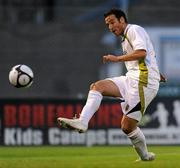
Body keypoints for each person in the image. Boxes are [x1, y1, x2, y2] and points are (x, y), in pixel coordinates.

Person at [58, 8, 163, 161]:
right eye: (107, 24)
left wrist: (117, 59)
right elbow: (146, 57)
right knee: (97, 86)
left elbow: (142, 52)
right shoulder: (125, 37)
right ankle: (82, 122)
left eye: (112, 22)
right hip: (133, 78)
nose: (111, 27)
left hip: (143, 83)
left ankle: (145, 156)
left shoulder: (134, 29)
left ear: (122, 20)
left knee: (127, 127)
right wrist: (157, 72)